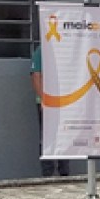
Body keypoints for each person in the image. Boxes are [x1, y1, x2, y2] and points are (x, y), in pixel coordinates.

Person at [31, 42, 70, 177]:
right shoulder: (42, 51)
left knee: (62, 135)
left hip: (63, 101)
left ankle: (63, 171)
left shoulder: (65, 50)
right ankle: (49, 172)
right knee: (48, 136)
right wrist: (43, 99)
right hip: (48, 102)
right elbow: (35, 76)